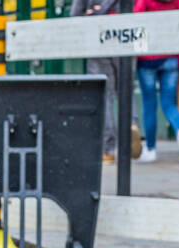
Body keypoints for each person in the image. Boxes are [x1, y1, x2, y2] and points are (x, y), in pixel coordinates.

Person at [134, 0, 179, 163]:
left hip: (148, 59)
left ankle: (151, 149)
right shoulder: (176, 1)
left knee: (149, 105)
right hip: (171, 56)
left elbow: (136, 24)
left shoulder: (144, 1)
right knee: (169, 103)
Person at [71, 0, 119, 164]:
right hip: (128, 35)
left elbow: (75, 15)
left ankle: (108, 149)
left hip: (98, 40)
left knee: (106, 94)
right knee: (125, 90)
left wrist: (91, 13)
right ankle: (132, 129)